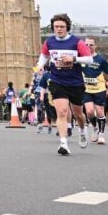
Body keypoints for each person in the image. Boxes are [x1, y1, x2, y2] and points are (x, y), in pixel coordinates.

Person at [35, 13, 95, 155]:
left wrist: (73, 58)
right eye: (56, 26)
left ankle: (82, 130)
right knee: (61, 112)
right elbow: (44, 55)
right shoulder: (49, 42)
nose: (59, 29)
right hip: (57, 81)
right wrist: (39, 65)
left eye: (62, 26)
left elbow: (89, 59)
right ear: (53, 28)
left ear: (67, 27)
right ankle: (64, 143)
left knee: (78, 113)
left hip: (75, 82)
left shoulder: (76, 42)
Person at [80, 37, 108, 144]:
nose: (89, 47)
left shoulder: (101, 59)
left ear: (95, 46)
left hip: (99, 89)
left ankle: (101, 134)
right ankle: (95, 128)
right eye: (86, 44)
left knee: (100, 111)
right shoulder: (81, 58)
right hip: (86, 90)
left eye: (91, 45)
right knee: (90, 112)